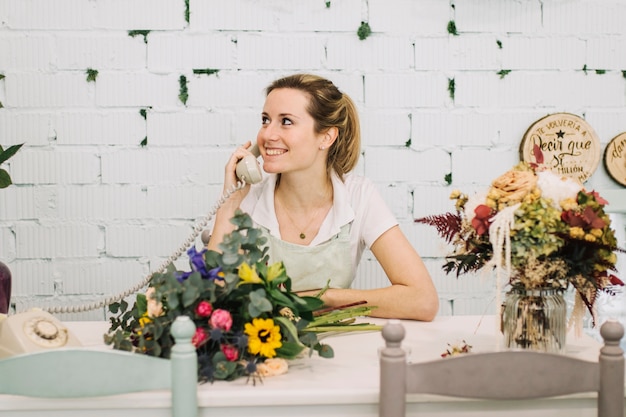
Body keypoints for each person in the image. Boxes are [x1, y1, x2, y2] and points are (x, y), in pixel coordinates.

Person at [207, 73, 438, 321]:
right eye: (266, 120)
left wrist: (325, 297)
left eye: (285, 121)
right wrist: (229, 204)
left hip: (343, 351)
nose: (267, 135)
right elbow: (209, 302)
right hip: (262, 353)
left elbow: (422, 301)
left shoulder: (359, 196)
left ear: (326, 137)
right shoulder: (247, 196)